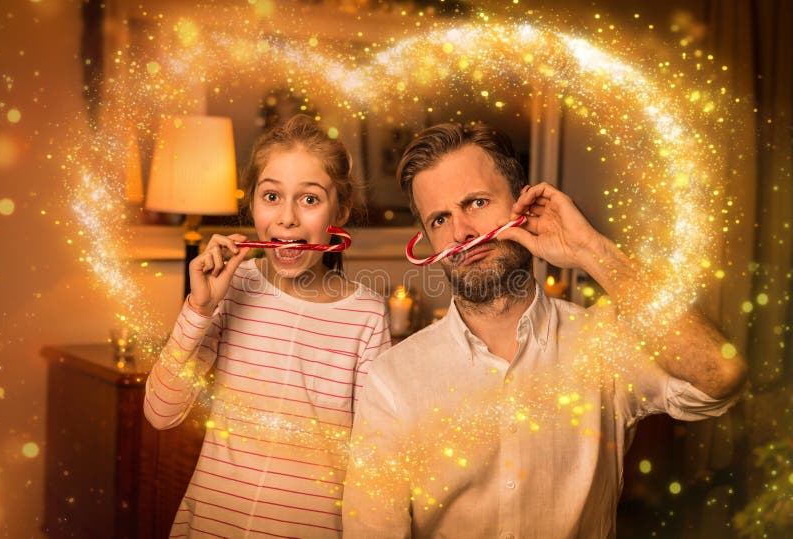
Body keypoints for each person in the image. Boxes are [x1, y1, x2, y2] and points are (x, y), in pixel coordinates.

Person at [341, 122, 747, 538]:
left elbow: (721, 374)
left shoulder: (603, 343)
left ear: (523, 205)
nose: (461, 232)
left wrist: (591, 250)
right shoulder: (394, 378)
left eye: (477, 202)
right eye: (440, 218)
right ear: (427, 238)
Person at [144, 114, 390, 538]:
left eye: (309, 199)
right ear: (252, 204)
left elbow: (373, 459)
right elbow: (160, 414)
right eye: (272, 196)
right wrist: (199, 310)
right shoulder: (232, 287)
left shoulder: (367, 314)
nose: (288, 218)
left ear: (341, 211)